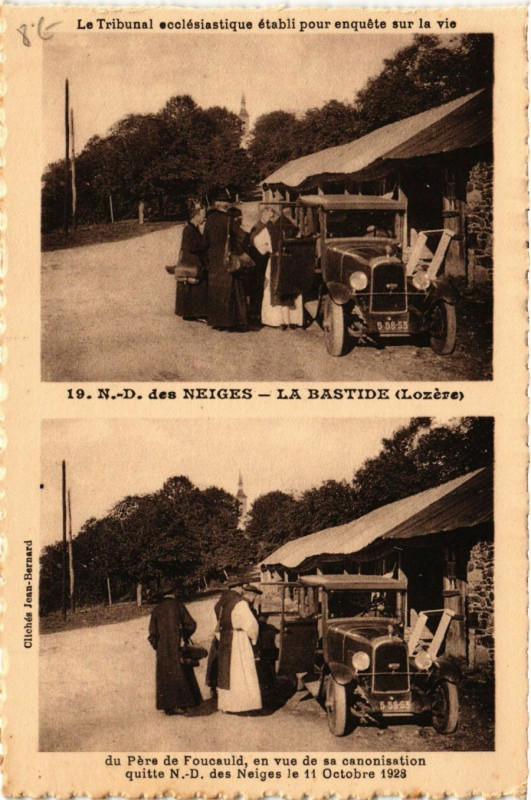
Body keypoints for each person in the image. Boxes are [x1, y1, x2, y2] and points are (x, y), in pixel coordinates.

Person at [148, 580, 202, 715]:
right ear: (173, 592)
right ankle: (181, 704)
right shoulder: (178, 606)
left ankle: (167, 706)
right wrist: (184, 636)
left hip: (162, 649)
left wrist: (158, 646)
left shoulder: (156, 609)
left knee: (165, 675)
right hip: (177, 646)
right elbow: (191, 624)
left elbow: (152, 633)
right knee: (180, 673)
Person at [202, 191, 248, 331]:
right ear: (224, 204)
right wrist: (238, 250)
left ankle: (217, 322)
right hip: (227, 258)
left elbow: (205, 241)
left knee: (216, 290)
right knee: (230, 290)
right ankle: (231, 323)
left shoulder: (210, 219)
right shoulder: (229, 220)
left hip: (214, 259)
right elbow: (241, 236)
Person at [214, 583, 262, 714]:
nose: (242, 590)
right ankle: (243, 706)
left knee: (227, 673)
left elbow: (217, 625)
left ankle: (227, 705)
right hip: (238, 639)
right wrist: (253, 639)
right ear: (237, 588)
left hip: (225, 639)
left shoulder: (220, 603)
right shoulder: (240, 603)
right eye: (241, 587)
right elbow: (251, 624)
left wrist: (222, 638)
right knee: (242, 672)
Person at [261, 208, 303, 329]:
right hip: (291, 261)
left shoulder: (269, 228)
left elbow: (260, 246)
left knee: (274, 287)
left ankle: (278, 321)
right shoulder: (295, 228)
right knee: (292, 289)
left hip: (276, 260)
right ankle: (292, 320)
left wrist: (269, 249)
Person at [174, 201, 208, 322]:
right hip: (192, 263)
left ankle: (189, 313)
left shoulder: (192, 228)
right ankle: (197, 313)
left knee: (189, 288)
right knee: (195, 287)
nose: (204, 218)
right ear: (196, 216)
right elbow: (193, 247)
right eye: (202, 216)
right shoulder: (189, 230)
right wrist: (205, 244)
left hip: (189, 262)